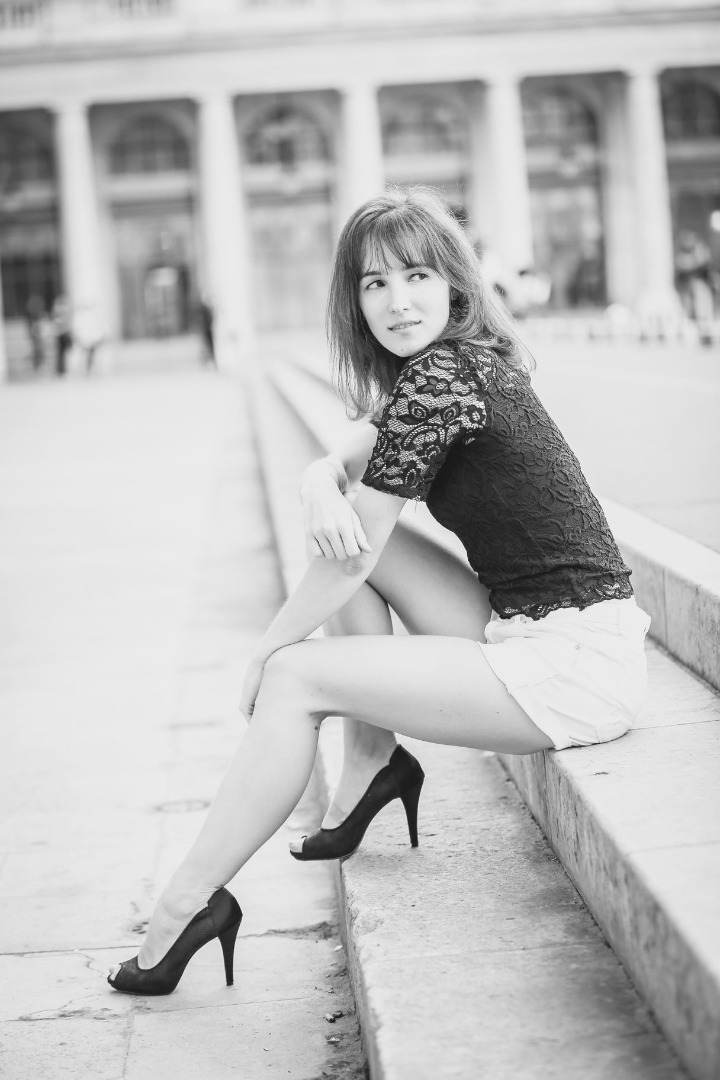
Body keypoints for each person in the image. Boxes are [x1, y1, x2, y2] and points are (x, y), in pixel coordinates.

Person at [107, 187, 651, 996]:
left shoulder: (445, 375)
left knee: (295, 677)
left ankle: (186, 903)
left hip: (573, 665)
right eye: (375, 283)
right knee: (340, 529)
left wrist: (267, 654)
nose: (397, 302)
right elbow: (342, 463)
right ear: (354, 301)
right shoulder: (445, 372)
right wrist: (314, 482)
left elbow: (348, 565)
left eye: (417, 276)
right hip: (532, 625)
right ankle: (371, 756)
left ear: (455, 285)